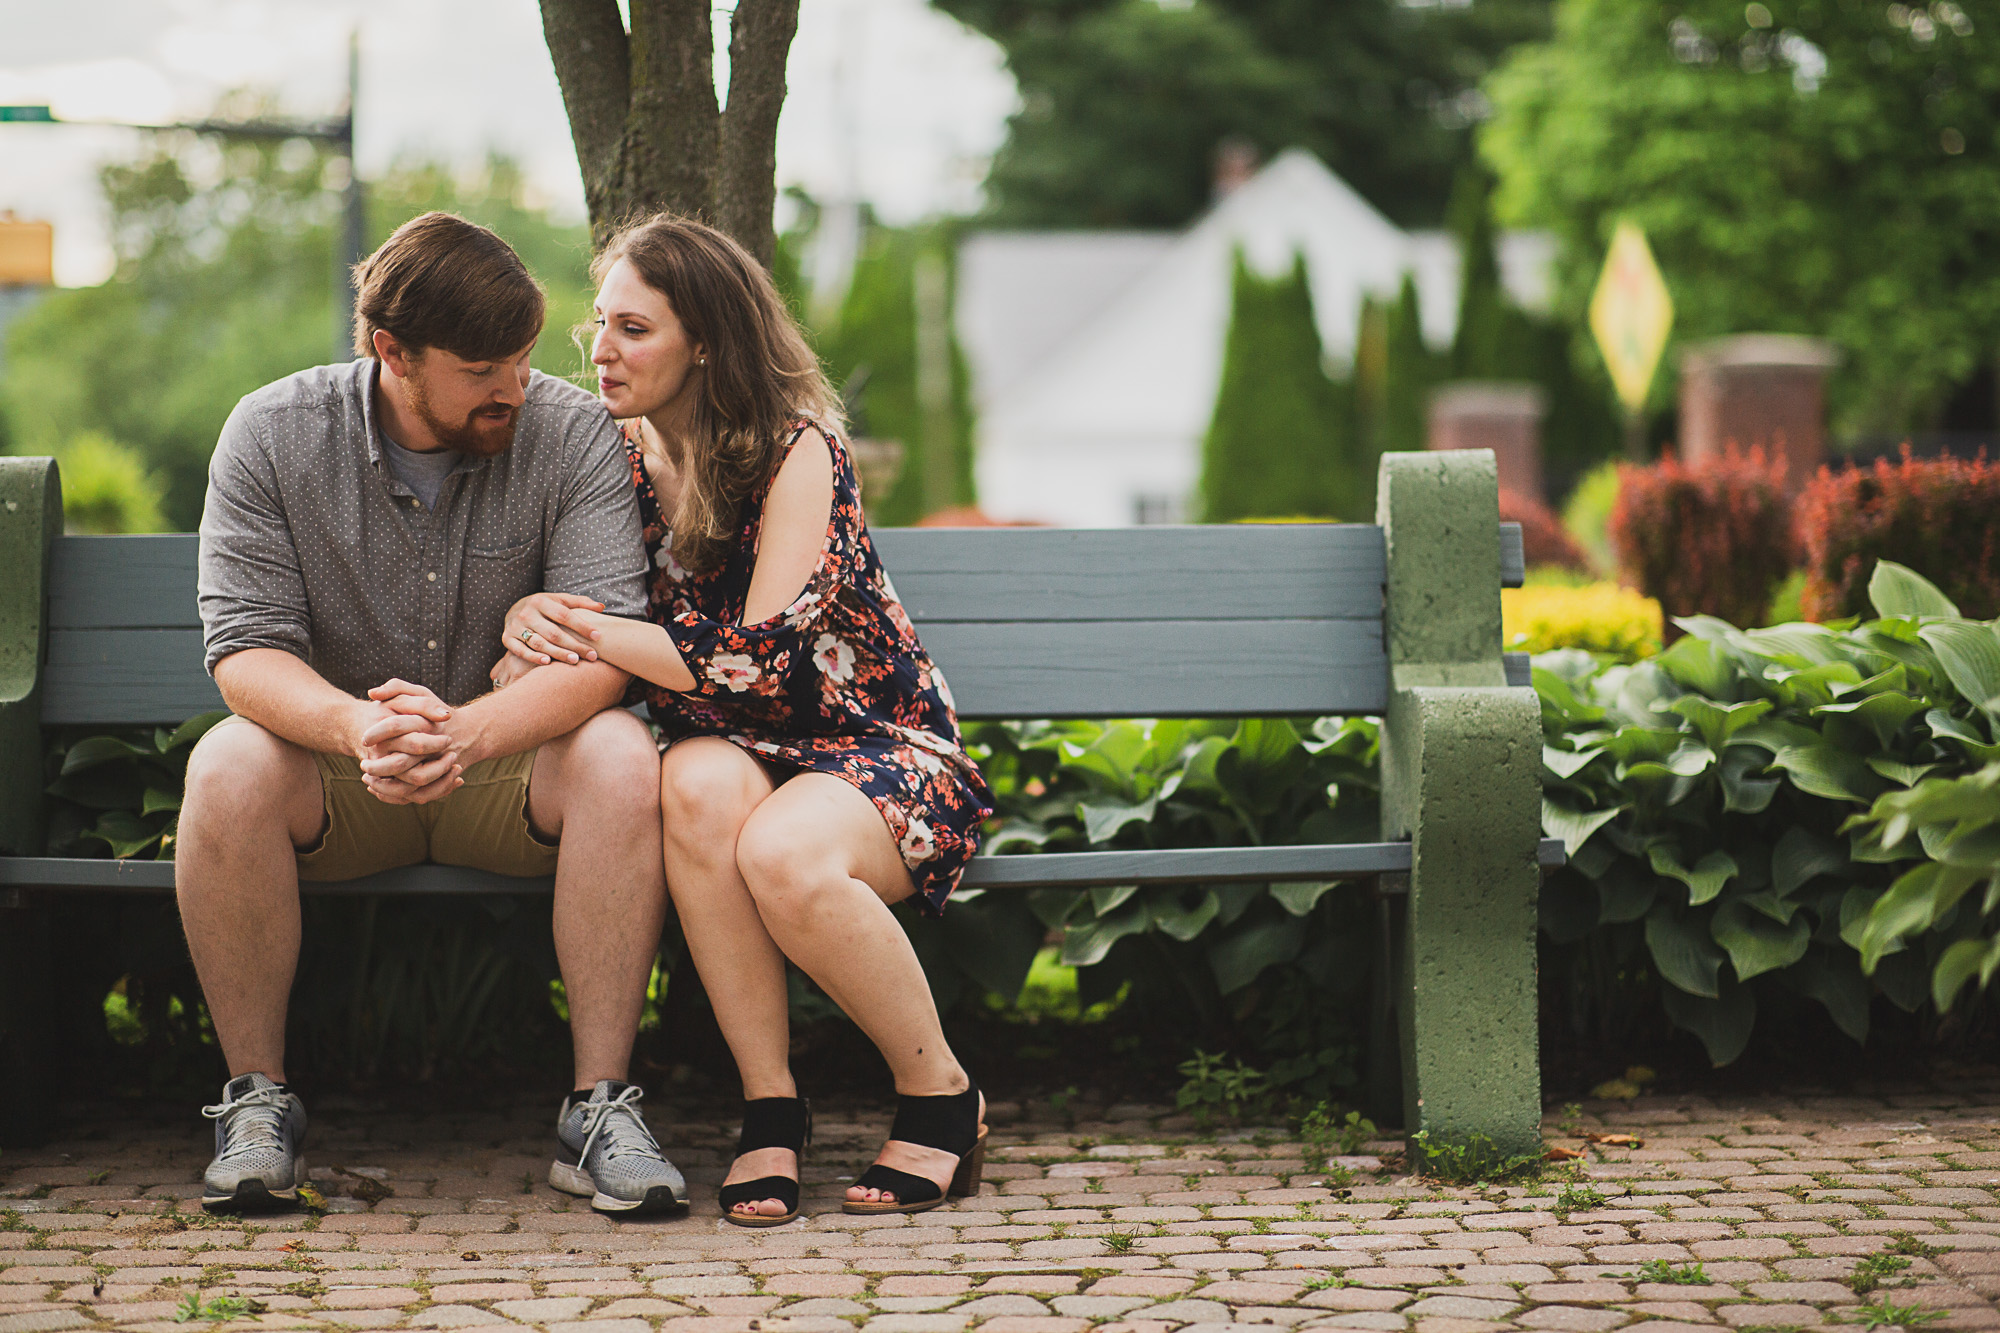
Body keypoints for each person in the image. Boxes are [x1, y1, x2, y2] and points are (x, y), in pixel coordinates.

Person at [179, 212, 686, 1217]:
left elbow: (603, 650)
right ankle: (256, 1103)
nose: (515, 386)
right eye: (481, 368)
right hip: (337, 772)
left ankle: (597, 1111)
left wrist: (467, 731)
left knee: (621, 753)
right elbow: (245, 649)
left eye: (525, 358)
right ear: (392, 354)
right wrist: (357, 728)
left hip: (505, 766)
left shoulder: (572, 431)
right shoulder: (272, 433)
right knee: (228, 762)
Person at [495, 214, 995, 1226]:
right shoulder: (614, 453)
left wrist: (580, 628)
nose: (599, 350)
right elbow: (559, 610)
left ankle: (941, 1094)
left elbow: (754, 661)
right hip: (729, 743)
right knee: (691, 780)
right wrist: (525, 616)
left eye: (633, 329)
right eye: (599, 324)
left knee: (780, 854)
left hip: (874, 744)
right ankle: (769, 1104)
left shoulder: (795, 451)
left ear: (708, 342)